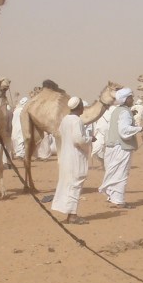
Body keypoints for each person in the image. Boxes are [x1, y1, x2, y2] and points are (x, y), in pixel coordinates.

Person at [98, 87, 143, 208]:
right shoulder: (124, 112)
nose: (132, 100)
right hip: (121, 148)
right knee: (121, 174)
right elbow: (124, 131)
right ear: (126, 99)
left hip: (112, 147)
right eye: (131, 97)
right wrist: (142, 128)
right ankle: (119, 201)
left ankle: (113, 197)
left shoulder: (116, 111)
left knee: (114, 173)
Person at [50, 96, 93, 224]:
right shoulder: (76, 121)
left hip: (66, 157)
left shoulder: (65, 120)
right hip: (75, 158)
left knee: (69, 185)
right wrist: (90, 139)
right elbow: (78, 140)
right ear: (79, 107)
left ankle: (70, 214)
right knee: (75, 185)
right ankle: (73, 216)